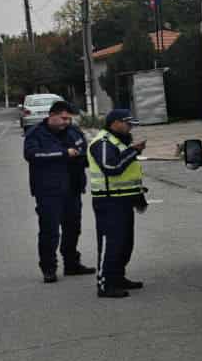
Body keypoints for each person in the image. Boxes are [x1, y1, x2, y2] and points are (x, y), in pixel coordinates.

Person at [21, 100, 93, 282]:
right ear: (51, 115)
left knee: (73, 228)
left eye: (69, 119)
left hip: (73, 188)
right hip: (48, 190)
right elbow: (32, 155)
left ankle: (72, 264)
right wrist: (63, 154)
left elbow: (84, 152)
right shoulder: (35, 134)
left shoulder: (74, 131)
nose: (66, 122)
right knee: (50, 231)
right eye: (63, 118)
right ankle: (49, 268)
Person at [86, 107, 147, 299]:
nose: (130, 128)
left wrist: (138, 196)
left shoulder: (117, 141)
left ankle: (118, 277)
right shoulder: (103, 142)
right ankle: (105, 284)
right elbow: (111, 167)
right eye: (127, 124)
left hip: (124, 199)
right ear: (115, 123)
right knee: (111, 243)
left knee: (124, 243)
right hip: (109, 201)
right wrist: (133, 151)